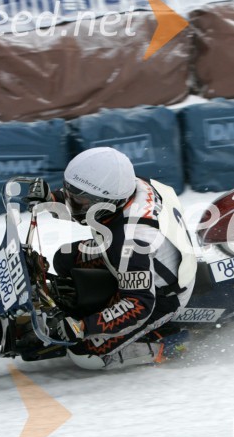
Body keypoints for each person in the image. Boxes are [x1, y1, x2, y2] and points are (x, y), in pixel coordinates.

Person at [25, 147, 197, 370]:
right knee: (63, 258)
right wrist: (50, 199)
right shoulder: (129, 185)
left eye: (78, 201)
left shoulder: (130, 241)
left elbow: (138, 304)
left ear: (106, 203)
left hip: (163, 293)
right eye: (70, 194)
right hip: (136, 257)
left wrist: (84, 327)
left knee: (85, 353)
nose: (71, 203)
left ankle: (167, 345)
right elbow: (86, 203)